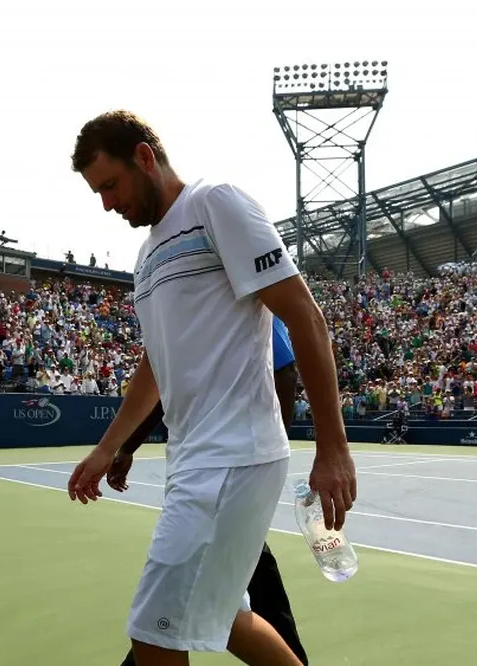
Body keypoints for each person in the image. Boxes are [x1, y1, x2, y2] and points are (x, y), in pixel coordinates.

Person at [67, 110, 356, 666]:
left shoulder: (215, 202)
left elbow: (304, 316)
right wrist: (111, 447)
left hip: (233, 456)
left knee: (153, 631)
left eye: (111, 184)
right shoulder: (147, 258)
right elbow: (156, 366)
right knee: (227, 618)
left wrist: (333, 448)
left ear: (144, 157)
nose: (106, 202)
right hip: (196, 460)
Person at [110, 316, 309, 666]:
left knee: (161, 614)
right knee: (219, 608)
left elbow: (287, 369)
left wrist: (266, 446)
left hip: (228, 473)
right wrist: (126, 446)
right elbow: (159, 388)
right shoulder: (180, 313)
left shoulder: (238, 296)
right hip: (200, 474)